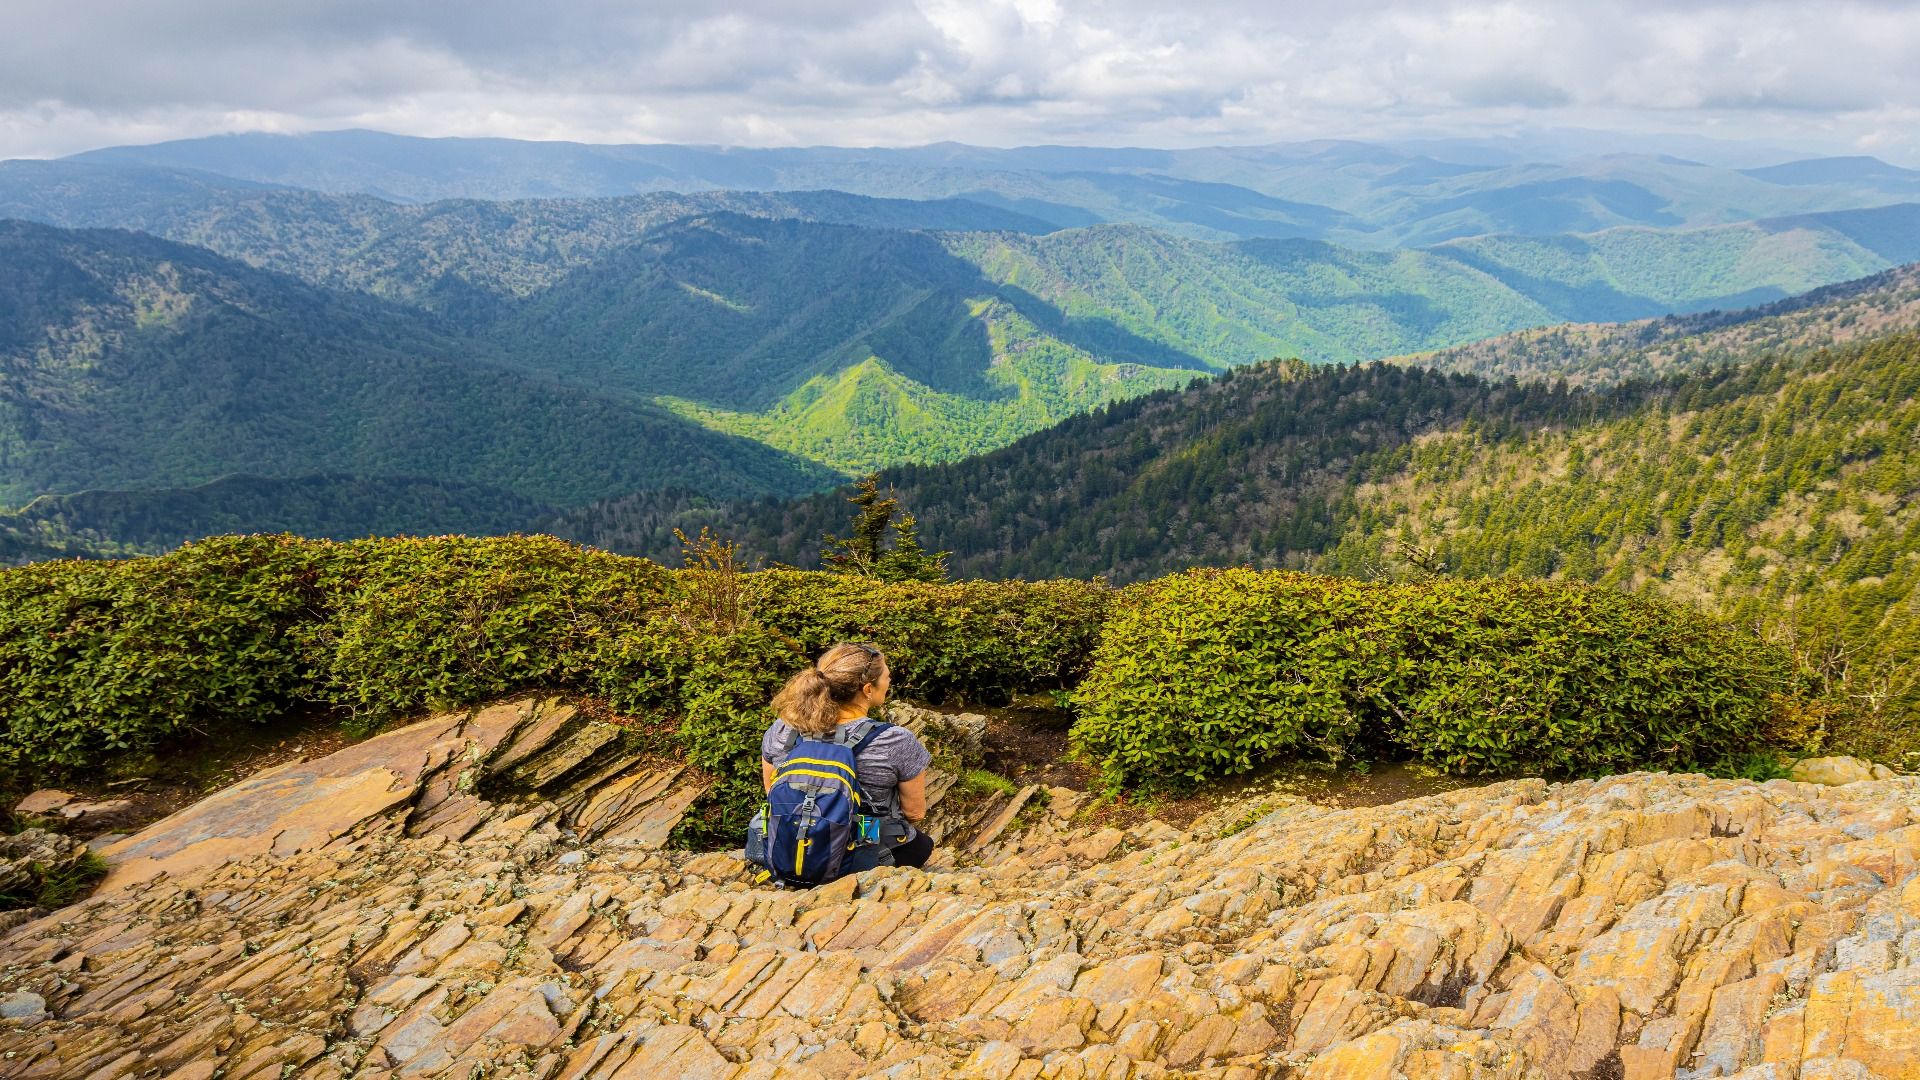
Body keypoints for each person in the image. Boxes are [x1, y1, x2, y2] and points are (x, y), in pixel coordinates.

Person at [760, 642, 935, 873]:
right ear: (867, 690)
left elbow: (772, 792)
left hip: (791, 845)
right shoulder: (895, 739)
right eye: (887, 677)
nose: (889, 682)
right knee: (922, 844)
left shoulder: (784, 728)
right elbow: (915, 812)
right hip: (861, 852)